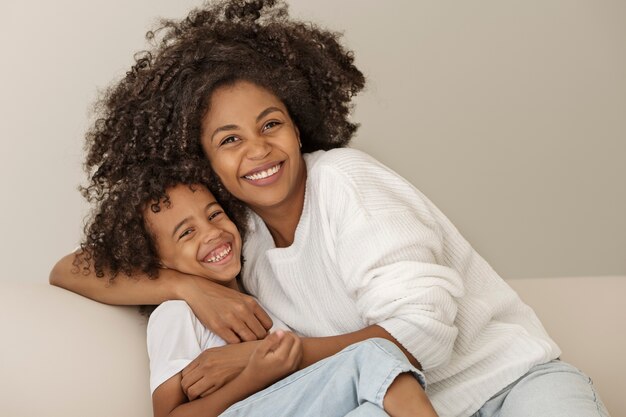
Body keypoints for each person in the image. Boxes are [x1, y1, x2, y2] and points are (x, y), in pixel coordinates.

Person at [50, 1, 610, 416]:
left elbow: (425, 335)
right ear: (203, 164)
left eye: (271, 124)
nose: (258, 150)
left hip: (512, 386)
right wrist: (187, 287)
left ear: (298, 125)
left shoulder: (344, 181)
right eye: (229, 140)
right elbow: (70, 269)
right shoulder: (236, 231)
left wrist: (271, 359)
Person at [77, 161, 436, 417]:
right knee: (373, 354)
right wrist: (252, 375)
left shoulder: (262, 299)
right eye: (186, 233)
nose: (211, 232)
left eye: (214, 214)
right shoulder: (177, 314)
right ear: (159, 262)